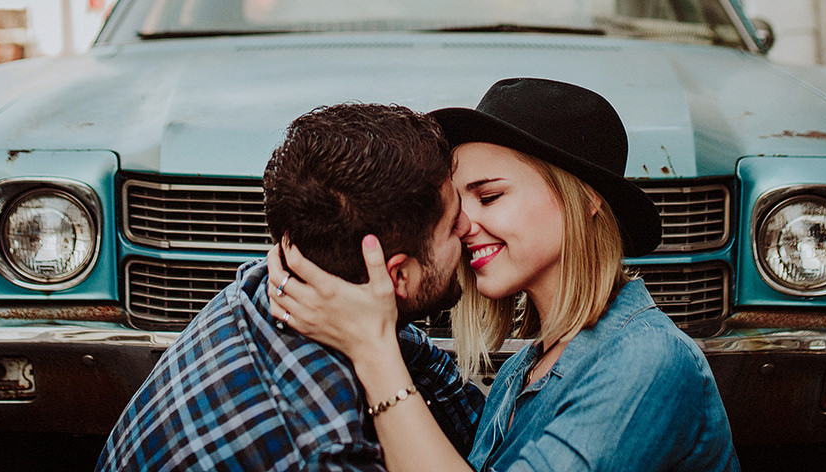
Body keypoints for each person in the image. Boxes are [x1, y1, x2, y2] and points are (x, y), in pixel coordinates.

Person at [271, 78, 740, 472]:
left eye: (489, 196)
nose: (461, 224)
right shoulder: (522, 370)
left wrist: (372, 349)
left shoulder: (647, 360)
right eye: (456, 202)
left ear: (587, 199)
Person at [95, 102, 485, 471]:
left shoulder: (268, 285)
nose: (468, 226)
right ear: (396, 276)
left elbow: (458, 410)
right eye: (452, 224)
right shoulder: (324, 449)